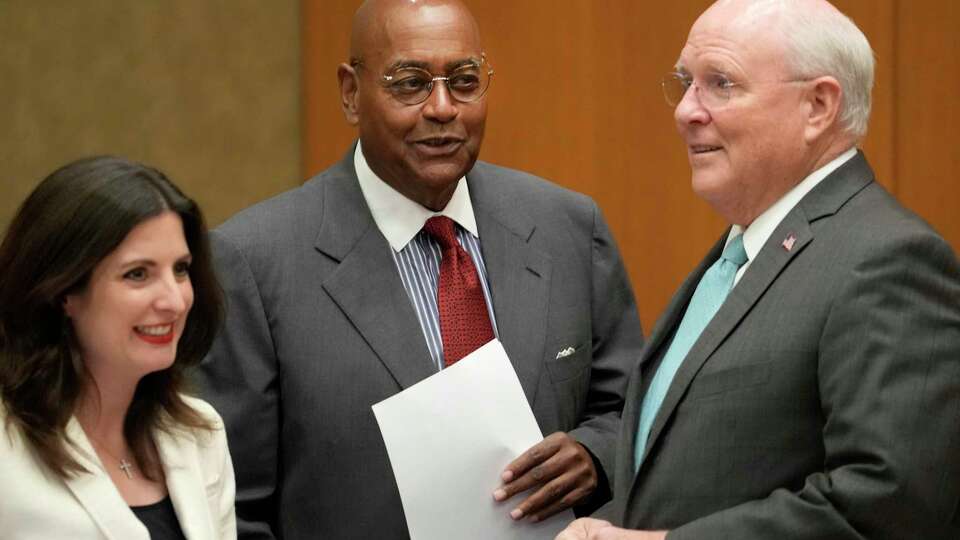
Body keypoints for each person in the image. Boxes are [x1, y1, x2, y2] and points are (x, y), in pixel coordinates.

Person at [195, 0, 642, 538]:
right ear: (350, 93)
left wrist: (594, 454)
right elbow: (231, 507)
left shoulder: (568, 228)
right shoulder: (253, 262)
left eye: (464, 79)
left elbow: (637, 417)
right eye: (410, 83)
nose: (443, 107)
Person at [556, 1, 960, 539]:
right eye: (685, 82)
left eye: (720, 83)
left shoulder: (889, 261)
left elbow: (892, 507)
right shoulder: (744, 252)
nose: (685, 111)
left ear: (818, 105)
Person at [0, 156, 236, 539]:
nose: (175, 301)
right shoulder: (7, 446)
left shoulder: (200, 433)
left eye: (180, 269)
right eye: (138, 274)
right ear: (63, 292)